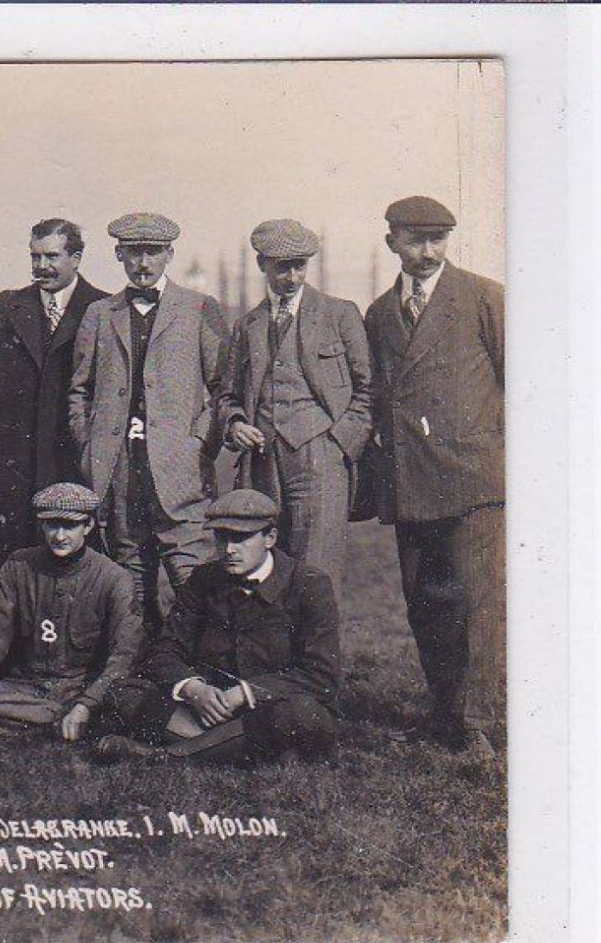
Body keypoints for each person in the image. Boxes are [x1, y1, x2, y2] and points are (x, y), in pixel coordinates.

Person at [362, 196, 504, 759]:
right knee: (426, 603)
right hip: (411, 480)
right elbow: (376, 391)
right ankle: (445, 715)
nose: (427, 252)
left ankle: (480, 726)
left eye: (437, 240)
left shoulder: (482, 297)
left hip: (474, 479)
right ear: (391, 240)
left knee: (480, 603)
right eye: (415, 240)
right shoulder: (379, 313)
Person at [97, 489, 340, 764]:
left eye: (241, 538)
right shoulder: (204, 578)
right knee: (123, 695)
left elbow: (321, 675)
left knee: (302, 715)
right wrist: (193, 689)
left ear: (270, 538)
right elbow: (166, 649)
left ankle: (167, 755)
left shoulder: (309, 583)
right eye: (221, 538)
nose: (229, 550)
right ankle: (232, 749)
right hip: (207, 710)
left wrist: (245, 694)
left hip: (270, 707)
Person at [69, 212, 228, 633]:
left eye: (153, 253)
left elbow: (221, 389)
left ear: (169, 255)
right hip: (118, 470)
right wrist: (91, 447)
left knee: (191, 578)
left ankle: (197, 677)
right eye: (134, 253)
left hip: (180, 472)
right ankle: (137, 682)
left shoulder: (199, 310)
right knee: (130, 581)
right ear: (119, 254)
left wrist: (197, 443)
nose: (143, 263)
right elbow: (80, 391)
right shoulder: (100, 314)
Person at [218, 219, 373, 605]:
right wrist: (235, 423)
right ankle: (272, 659)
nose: (291, 277)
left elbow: (368, 391)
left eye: (299, 266)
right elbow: (227, 395)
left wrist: (338, 445)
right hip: (261, 463)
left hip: (320, 458)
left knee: (317, 569)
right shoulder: (246, 326)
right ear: (261, 265)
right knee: (264, 566)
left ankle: (319, 663)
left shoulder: (339, 314)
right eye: (281, 266)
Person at [0, 218, 110, 592]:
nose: (42, 267)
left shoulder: (102, 309)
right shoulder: (11, 305)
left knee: (67, 569)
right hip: (6, 461)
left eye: (52, 257)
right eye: (35, 257)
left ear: (77, 257)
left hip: (69, 458)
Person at [0, 483, 142, 742]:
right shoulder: (18, 565)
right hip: (24, 686)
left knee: (126, 699)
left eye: (69, 526)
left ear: (88, 526)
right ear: (42, 525)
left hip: (79, 688)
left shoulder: (114, 578)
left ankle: (29, 723)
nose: (59, 536)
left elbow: (123, 654)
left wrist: (86, 704)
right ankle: (58, 723)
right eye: (52, 525)